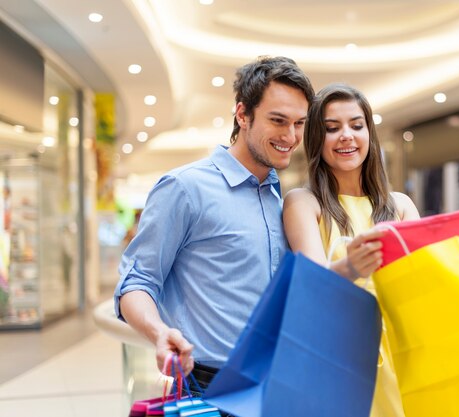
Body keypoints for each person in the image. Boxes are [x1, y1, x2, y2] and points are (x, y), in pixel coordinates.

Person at [282, 83, 459, 417]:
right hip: (340, 358)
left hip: (404, 355)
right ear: (317, 139)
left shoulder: (399, 205)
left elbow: (429, 281)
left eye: (356, 125)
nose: (346, 135)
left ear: (369, 134)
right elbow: (311, 285)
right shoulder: (303, 202)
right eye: (332, 128)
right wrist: (351, 267)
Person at [113, 56, 315, 399]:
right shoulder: (184, 188)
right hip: (207, 386)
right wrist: (159, 332)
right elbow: (137, 280)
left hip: (274, 384)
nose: (291, 136)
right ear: (242, 114)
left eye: (299, 123)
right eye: (278, 121)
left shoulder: (281, 197)